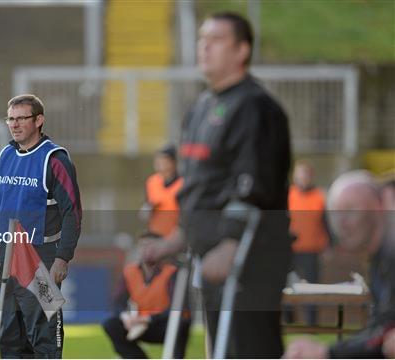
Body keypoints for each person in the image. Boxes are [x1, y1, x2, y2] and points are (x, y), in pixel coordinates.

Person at [143, 12, 292, 358]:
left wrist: (229, 243)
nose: (204, 46)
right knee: (221, 350)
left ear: (242, 50)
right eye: (201, 38)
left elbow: (256, 185)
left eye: (217, 39)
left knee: (249, 350)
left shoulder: (255, 107)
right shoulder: (201, 107)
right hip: (209, 260)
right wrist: (178, 236)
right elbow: (199, 187)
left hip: (247, 260)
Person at [0, 94, 82, 358]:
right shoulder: (3, 157)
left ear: (39, 120)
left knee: (45, 336)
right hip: (6, 259)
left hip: (41, 261)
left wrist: (62, 257)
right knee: (9, 337)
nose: (15, 124)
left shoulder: (55, 160)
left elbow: (73, 212)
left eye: (21, 118)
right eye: (10, 118)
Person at [284, 170, 395, 358]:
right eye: (336, 214)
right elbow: (382, 329)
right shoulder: (378, 261)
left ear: (381, 203)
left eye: (351, 210)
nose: (341, 223)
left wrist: (327, 353)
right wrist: (327, 353)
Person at [103, 233, 191, 358]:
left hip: (168, 323)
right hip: (142, 324)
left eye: (152, 246)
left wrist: (147, 319)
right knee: (111, 324)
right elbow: (117, 302)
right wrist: (126, 318)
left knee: (180, 323)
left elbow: (177, 307)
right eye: (143, 246)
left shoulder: (173, 271)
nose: (147, 250)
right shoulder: (130, 271)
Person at [287, 160, 330, 325]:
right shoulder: (288, 194)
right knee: (288, 286)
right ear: (295, 175)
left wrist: (329, 246)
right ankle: (288, 321)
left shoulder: (319, 196)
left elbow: (326, 223)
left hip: (312, 249)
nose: (304, 177)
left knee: (312, 288)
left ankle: (312, 323)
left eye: (306, 174)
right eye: (301, 173)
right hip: (290, 249)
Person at [141, 144, 183, 237]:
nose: (160, 164)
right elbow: (146, 207)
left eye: (164, 160)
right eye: (158, 160)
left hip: (175, 237)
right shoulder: (152, 182)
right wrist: (147, 210)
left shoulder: (182, 184)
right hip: (155, 234)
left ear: (173, 162)